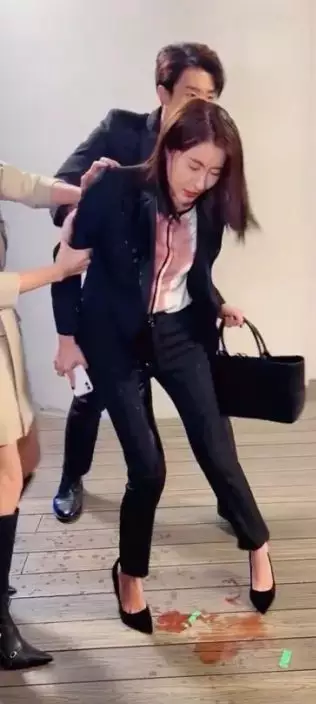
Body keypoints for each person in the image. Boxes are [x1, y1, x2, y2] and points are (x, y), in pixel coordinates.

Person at [53, 99, 276, 633]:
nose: (201, 182)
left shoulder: (210, 206)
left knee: (216, 448)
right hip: (114, 339)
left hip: (178, 333)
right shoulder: (114, 188)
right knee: (148, 468)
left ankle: (258, 546)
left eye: (215, 171)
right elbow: (67, 267)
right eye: (194, 165)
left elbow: (193, 273)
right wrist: (66, 339)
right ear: (168, 150)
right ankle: (129, 574)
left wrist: (217, 303)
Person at [51, 42, 244, 524]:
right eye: (192, 94)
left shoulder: (207, 148)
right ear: (163, 92)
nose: (202, 106)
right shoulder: (122, 129)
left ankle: (232, 500)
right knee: (92, 396)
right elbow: (63, 188)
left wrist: (214, 299)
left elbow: (194, 247)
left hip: (172, 314)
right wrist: (89, 200)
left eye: (211, 97)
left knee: (209, 408)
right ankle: (71, 477)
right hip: (115, 302)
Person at [0, 162, 90, 670]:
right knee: (7, 475)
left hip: (3, 342)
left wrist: (86, 192)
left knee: (28, 455)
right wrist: (59, 271)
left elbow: (27, 186)